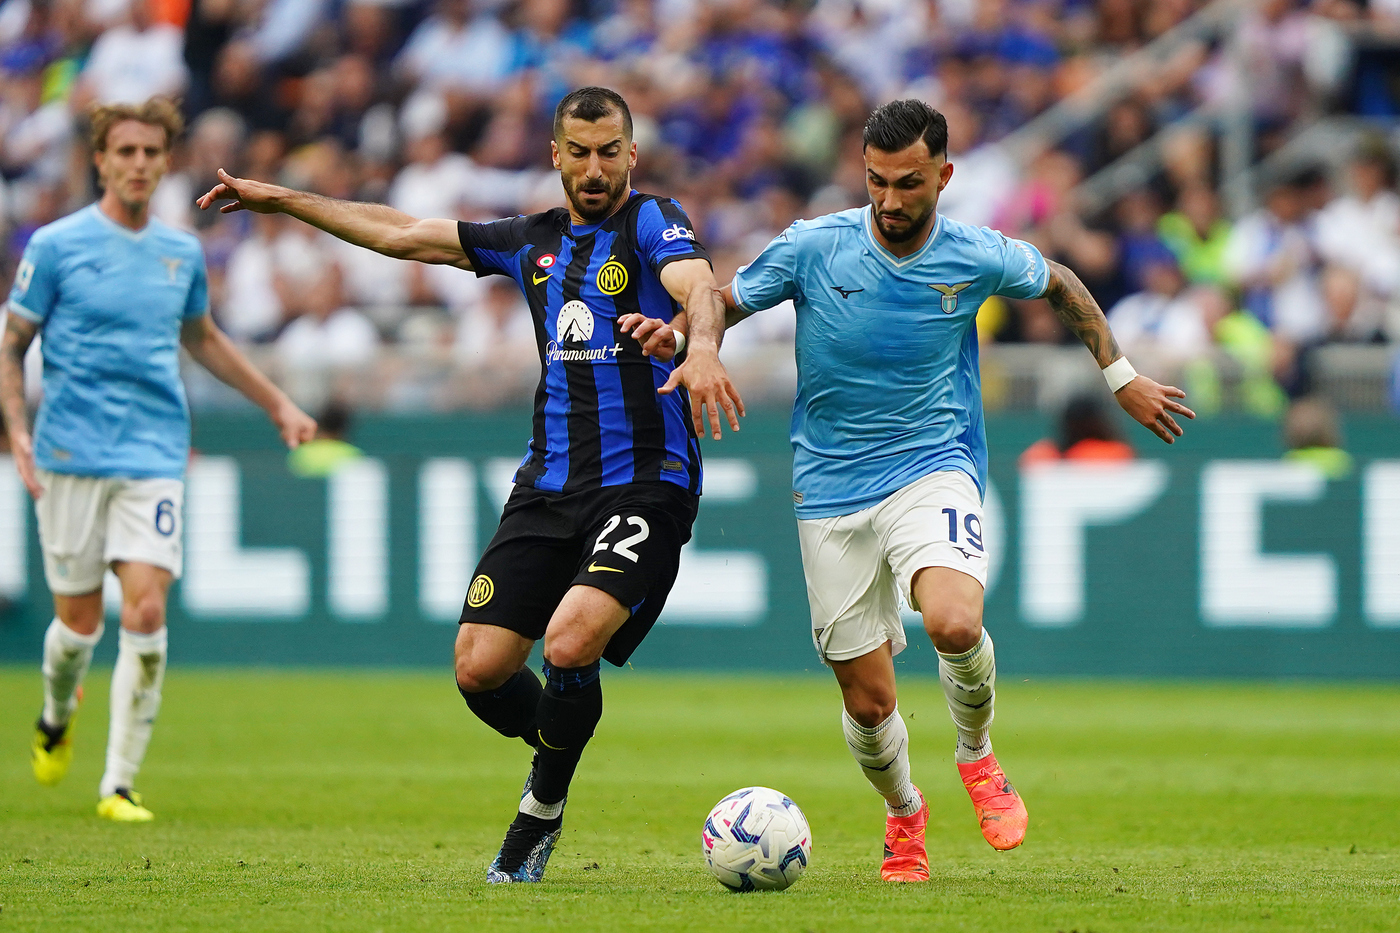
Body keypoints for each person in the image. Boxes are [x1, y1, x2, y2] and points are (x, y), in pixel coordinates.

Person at [628, 99, 1193, 883]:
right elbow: (724, 300)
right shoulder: (815, 245)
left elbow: (1059, 281)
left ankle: (978, 754)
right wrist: (696, 342)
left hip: (934, 462)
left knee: (955, 623)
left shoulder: (973, 253)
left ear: (944, 176)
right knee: (867, 703)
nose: (891, 201)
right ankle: (904, 813)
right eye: (877, 182)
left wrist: (1120, 376)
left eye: (910, 184)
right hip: (828, 487)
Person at [198, 85, 742, 883]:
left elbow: (697, 281)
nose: (596, 169)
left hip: (645, 482)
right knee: (479, 667)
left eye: (610, 151)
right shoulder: (530, 241)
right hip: (549, 483)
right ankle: (565, 730)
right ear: (556, 155)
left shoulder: (653, 220)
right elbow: (403, 234)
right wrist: (282, 200)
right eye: (580, 153)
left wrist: (701, 345)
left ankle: (539, 811)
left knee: (568, 639)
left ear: (633, 154)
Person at [1, 97, 317, 822]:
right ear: (101, 160)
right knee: (76, 629)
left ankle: (118, 783)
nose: (139, 164)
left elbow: (203, 338)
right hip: (70, 454)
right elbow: (12, 346)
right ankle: (55, 714)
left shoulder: (181, 252)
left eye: (151, 153)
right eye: (126, 152)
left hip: (153, 452)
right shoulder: (55, 246)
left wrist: (277, 403)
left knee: (145, 607)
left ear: (164, 161)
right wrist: (17, 430)